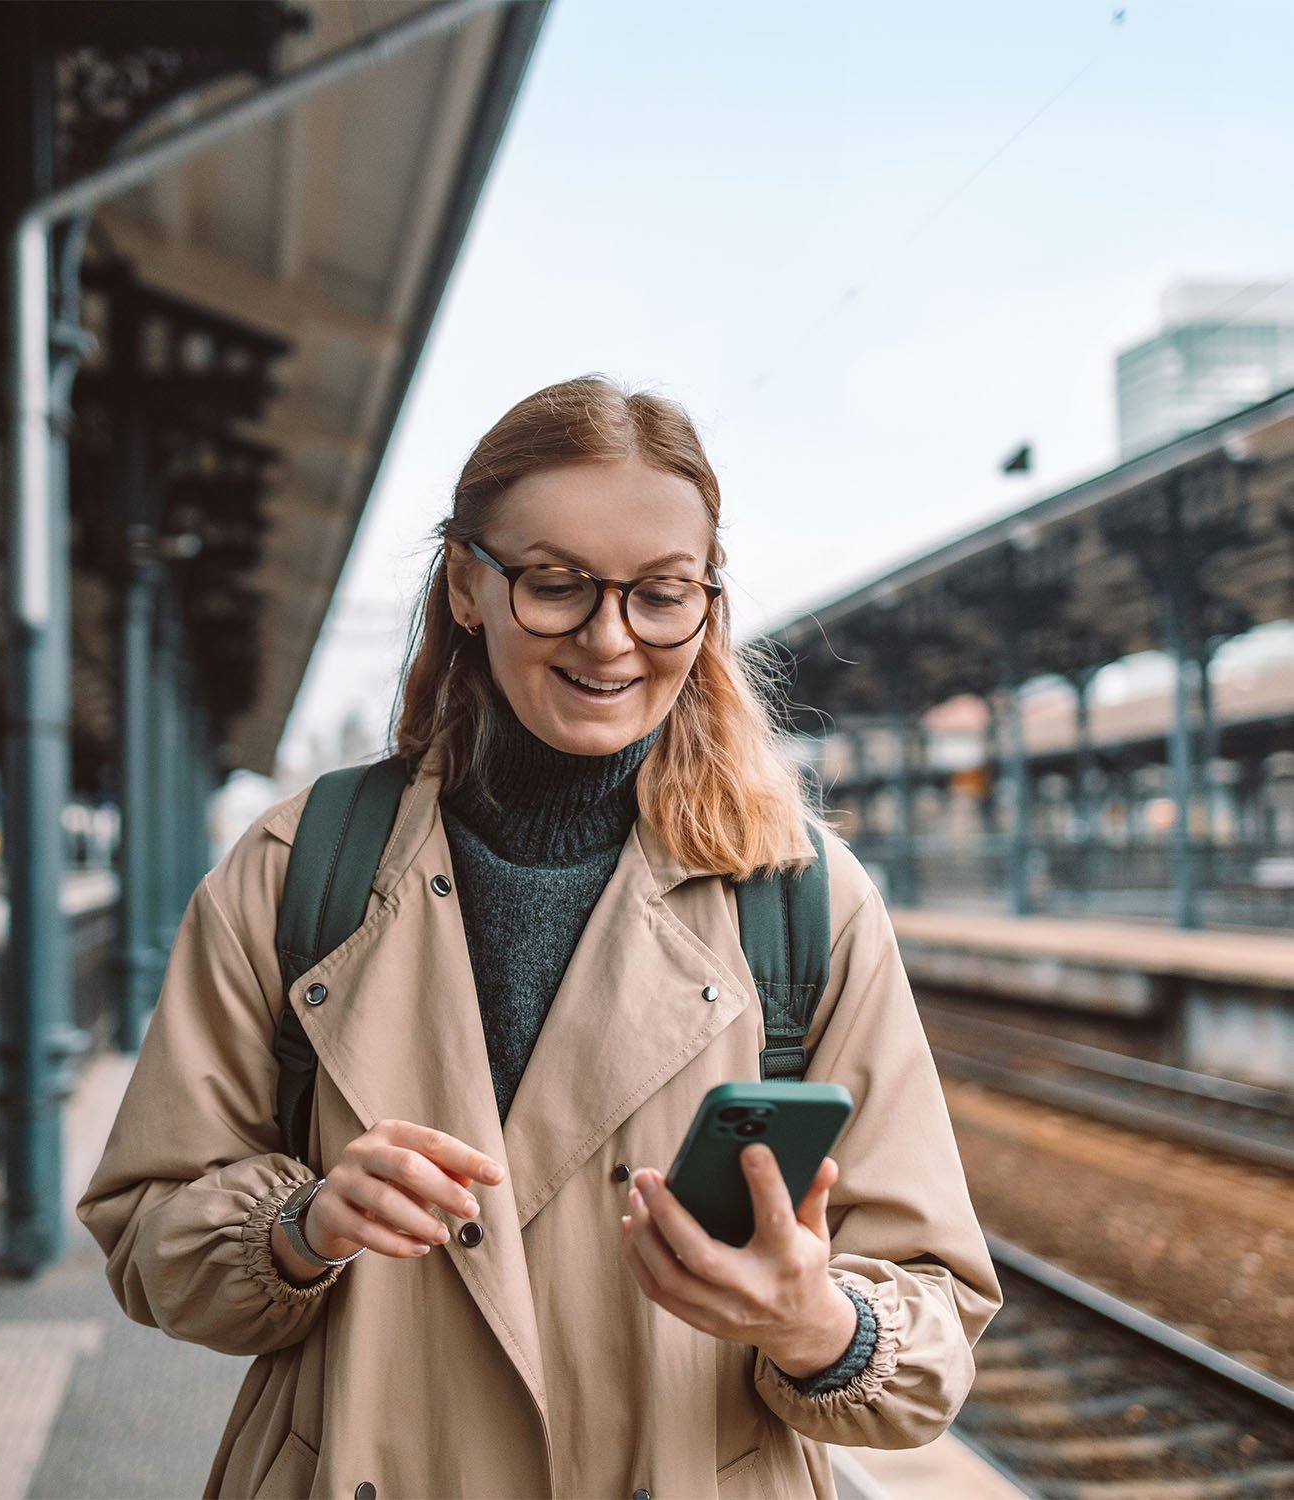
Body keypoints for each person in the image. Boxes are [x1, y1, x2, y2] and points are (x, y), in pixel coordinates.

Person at [79, 375, 1001, 1500]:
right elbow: (150, 1235)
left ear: (707, 602)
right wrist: (301, 1224)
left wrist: (817, 1321)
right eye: (555, 586)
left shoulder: (801, 897)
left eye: (663, 595)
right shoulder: (295, 874)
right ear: (466, 584)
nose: (611, 640)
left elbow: (932, 1319)